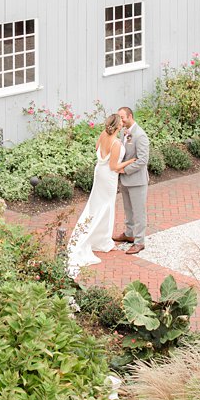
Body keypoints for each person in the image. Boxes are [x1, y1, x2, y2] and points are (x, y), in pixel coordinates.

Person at [65, 113, 128, 276]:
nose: (123, 123)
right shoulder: (116, 143)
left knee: (95, 205)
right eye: (121, 122)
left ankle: (101, 239)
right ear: (118, 125)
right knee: (105, 207)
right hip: (108, 177)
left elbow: (97, 150)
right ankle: (101, 240)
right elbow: (114, 166)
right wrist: (130, 161)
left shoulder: (102, 135)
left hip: (99, 172)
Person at [115, 106, 151, 254]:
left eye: (122, 117)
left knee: (139, 212)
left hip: (137, 180)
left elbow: (143, 160)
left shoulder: (140, 135)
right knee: (128, 210)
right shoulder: (125, 133)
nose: (120, 120)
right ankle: (129, 234)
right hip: (125, 180)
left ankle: (139, 241)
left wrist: (125, 169)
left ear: (130, 116)